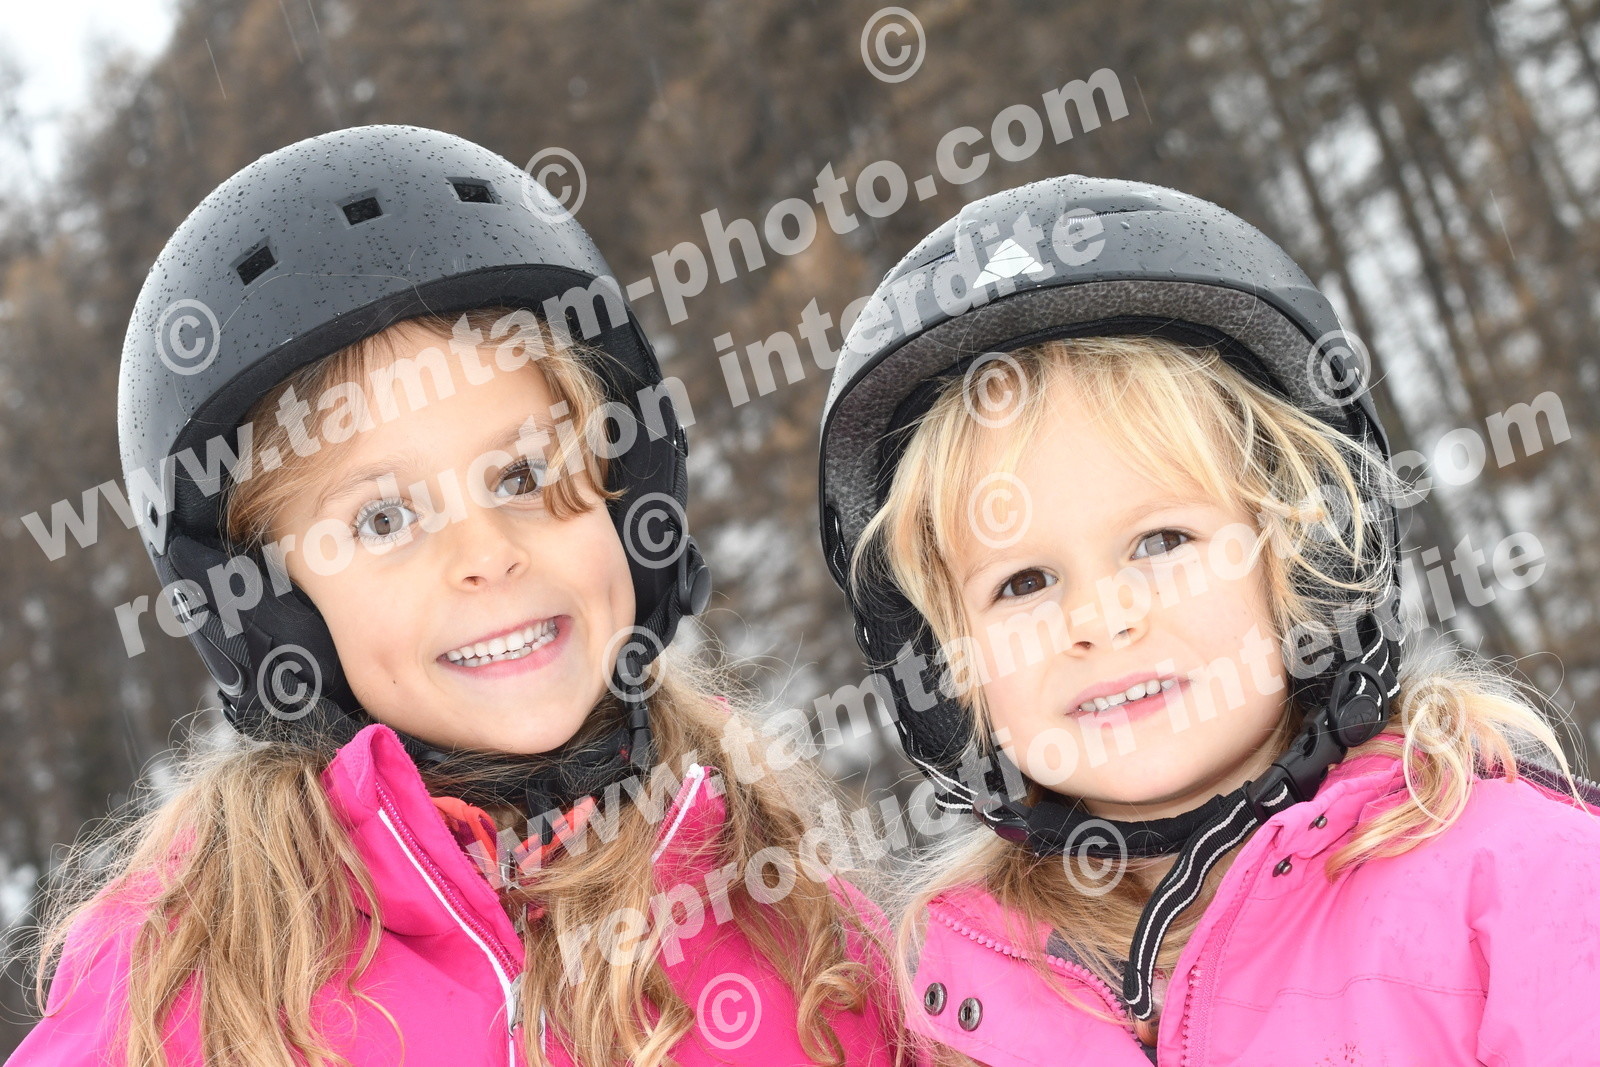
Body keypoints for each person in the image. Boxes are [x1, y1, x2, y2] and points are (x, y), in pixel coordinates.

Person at [12, 125, 906, 1067]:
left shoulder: (792, 917)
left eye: (523, 475)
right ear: (271, 611)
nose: (486, 555)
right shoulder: (189, 990)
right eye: (384, 518)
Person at [815, 173, 1600, 1065]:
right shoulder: (948, 1016)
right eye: (1024, 582)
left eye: (1161, 542)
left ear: (1305, 560)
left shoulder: (1523, 895)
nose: (1100, 618)